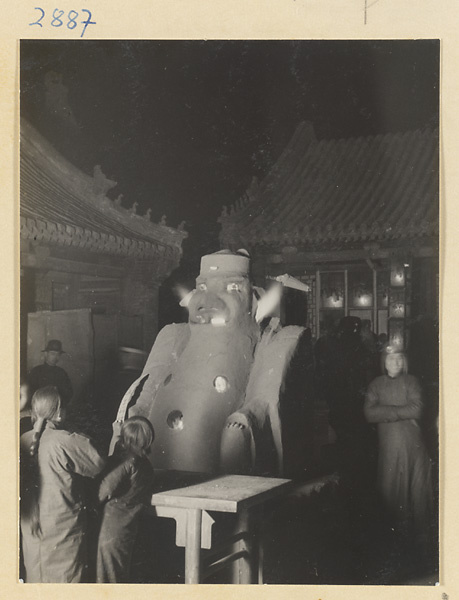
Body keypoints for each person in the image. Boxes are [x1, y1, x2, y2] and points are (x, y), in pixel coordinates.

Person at [20, 386, 105, 582]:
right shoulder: (65, 441)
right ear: (59, 413)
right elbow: (98, 463)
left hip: (32, 528)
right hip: (61, 529)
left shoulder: (22, 440)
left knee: (36, 580)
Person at [364, 348, 433, 546]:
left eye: (399, 359)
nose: (395, 363)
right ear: (384, 362)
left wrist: (385, 412)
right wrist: (402, 412)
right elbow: (369, 414)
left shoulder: (412, 381)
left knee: (417, 491)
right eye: (391, 359)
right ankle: (394, 538)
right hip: (389, 447)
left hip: (413, 445)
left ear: (404, 362)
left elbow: (418, 409)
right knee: (390, 489)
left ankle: (420, 540)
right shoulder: (375, 385)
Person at [97, 416, 155, 583]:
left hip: (108, 531)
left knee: (105, 580)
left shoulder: (126, 461)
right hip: (127, 529)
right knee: (119, 576)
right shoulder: (146, 465)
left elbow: (104, 490)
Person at [28, 339, 73, 406]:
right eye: (53, 354)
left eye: (58, 355)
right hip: (40, 408)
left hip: (57, 408)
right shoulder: (36, 371)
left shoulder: (62, 373)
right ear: (46, 354)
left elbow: (68, 393)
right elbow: (30, 393)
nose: (55, 357)